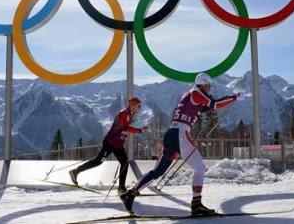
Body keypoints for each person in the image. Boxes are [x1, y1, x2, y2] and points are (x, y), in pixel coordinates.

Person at [120, 73, 244, 215]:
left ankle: (130, 194)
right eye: (208, 85)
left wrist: (230, 99)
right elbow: (215, 104)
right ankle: (196, 204)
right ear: (202, 83)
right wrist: (234, 98)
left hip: (172, 134)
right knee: (200, 169)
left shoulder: (192, 95)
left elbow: (209, 106)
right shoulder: (196, 92)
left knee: (158, 172)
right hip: (180, 134)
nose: (209, 88)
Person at [69, 97, 148, 194]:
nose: (139, 108)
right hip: (110, 143)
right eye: (138, 106)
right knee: (97, 162)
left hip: (117, 145)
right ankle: (75, 172)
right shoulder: (124, 114)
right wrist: (140, 130)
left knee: (124, 162)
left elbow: (124, 129)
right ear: (132, 105)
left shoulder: (128, 115)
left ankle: (121, 188)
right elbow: (125, 128)